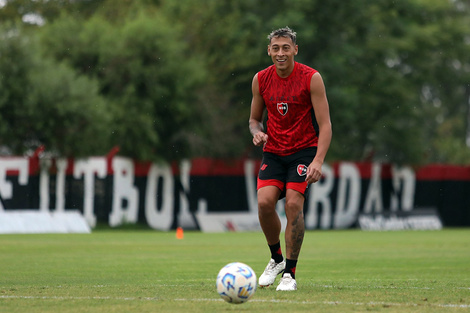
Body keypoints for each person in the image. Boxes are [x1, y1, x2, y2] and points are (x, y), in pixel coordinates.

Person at [249, 27, 332, 291]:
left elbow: (326, 125)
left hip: (303, 150)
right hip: (273, 152)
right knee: (264, 203)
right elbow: (253, 120)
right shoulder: (260, 79)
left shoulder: (311, 78)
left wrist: (318, 161)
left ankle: (290, 275)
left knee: (293, 205)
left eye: (286, 47)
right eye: (276, 48)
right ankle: (276, 260)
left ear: (295, 49)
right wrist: (256, 132)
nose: (281, 53)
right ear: (269, 51)